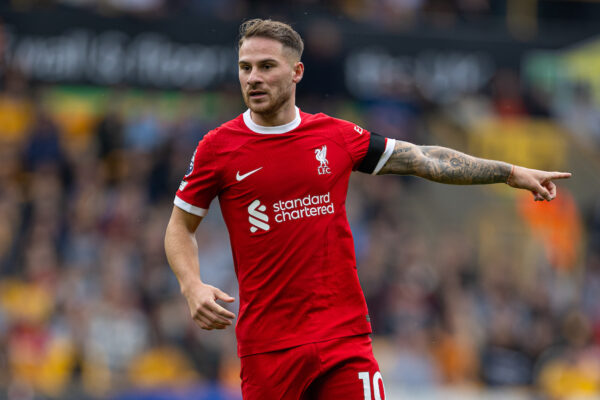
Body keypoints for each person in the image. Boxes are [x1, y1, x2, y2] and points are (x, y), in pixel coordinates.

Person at [164, 18, 571, 400]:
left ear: (296, 72)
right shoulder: (218, 148)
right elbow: (180, 226)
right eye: (245, 67)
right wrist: (191, 285)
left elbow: (423, 158)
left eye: (267, 66)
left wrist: (509, 172)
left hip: (344, 340)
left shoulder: (336, 136)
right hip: (268, 348)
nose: (253, 78)